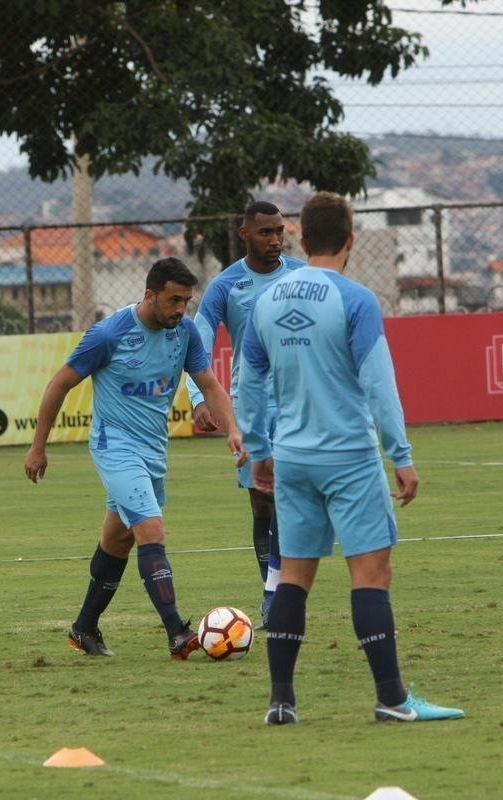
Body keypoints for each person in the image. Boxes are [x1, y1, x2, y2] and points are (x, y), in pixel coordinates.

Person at [236, 192, 464, 724]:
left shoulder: (266, 301)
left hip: (291, 458)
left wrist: (259, 451)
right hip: (349, 458)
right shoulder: (356, 300)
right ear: (350, 240)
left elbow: (248, 383)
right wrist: (401, 456)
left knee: (293, 576)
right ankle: (392, 700)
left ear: (299, 238)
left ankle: (281, 703)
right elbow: (379, 385)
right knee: (370, 574)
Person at [25, 257, 246, 659]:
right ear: (150, 295)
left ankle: (84, 629)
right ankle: (177, 632)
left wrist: (232, 428)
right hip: (115, 446)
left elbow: (210, 384)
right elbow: (59, 384)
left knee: (118, 539)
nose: (181, 309)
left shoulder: (186, 333)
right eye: (174, 300)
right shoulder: (109, 334)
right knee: (150, 529)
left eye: (186, 301)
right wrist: (39, 446)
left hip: (153, 451)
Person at [185, 200, 304, 626]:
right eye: (266, 232)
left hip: (300, 405)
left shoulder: (302, 278)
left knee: (293, 501)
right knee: (262, 504)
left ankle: (282, 592)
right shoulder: (226, 286)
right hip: (251, 407)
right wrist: (198, 398)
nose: (275, 240)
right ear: (244, 234)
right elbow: (197, 340)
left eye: (279, 231)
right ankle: (273, 595)